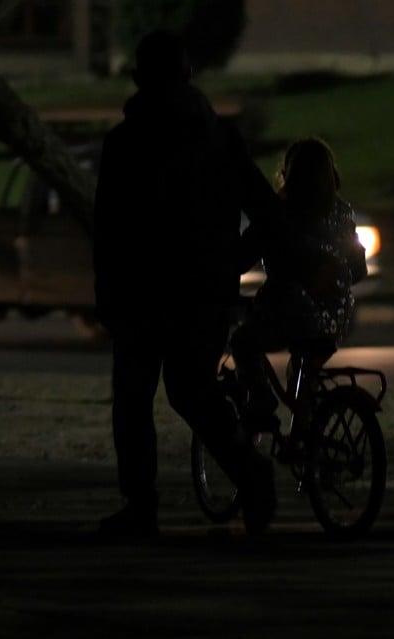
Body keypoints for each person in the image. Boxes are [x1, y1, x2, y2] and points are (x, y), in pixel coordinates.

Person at [92, 30, 285, 537]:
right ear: (188, 74)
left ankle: (141, 504)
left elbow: (108, 229)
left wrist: (106, 293)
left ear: (139, 78)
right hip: (201, 291)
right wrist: (230, 262)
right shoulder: (219, 139)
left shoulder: (125, 144)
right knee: (191, 391)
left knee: (134, 397)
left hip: (142, 291)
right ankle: (250, 472)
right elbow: (267, 211)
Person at [231, 138, 367, 443]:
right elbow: (358, 269)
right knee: (305, 371)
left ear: (288, 174)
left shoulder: (277, 213)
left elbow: (240, 258)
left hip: (292, 313)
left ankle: (261, 402)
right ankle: (304, 439)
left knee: (242, 343)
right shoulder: (343, 213)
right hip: (335, 317)